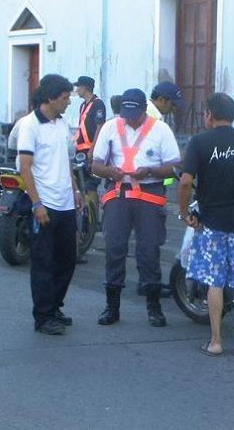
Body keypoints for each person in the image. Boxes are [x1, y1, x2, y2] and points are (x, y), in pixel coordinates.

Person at [178, 92, 234, 357]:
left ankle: (215, 342)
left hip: (212, 223)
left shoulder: (199, 142)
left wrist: (184, 214)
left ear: (209, 115)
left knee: (214, 282)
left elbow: (184, 182)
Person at [91, 88, 181, 327]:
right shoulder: (111, 127)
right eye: (126, 113)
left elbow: (175, 166)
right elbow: (96, 164)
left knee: (149, 251)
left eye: (135, 114)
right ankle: (112, 307)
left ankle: (154, 307)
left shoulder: (161, 130)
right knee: (114, 248)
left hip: (149, 196)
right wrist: (110, 171)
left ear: (144, 109)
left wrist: (150, 171)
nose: (130, 119)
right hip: (118, 195)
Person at [14, 74, 82, 336]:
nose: (68, 103)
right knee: (43, 261)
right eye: (65, 98)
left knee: (67, 259)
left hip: (65, 202)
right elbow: (25, 169)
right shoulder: (30, 125)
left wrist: (75, 189)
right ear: (51, 98)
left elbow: (67, 161)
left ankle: (55, 307)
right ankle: (42, 316)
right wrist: (37, 204)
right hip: (45, 204)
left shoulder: (63, 124)